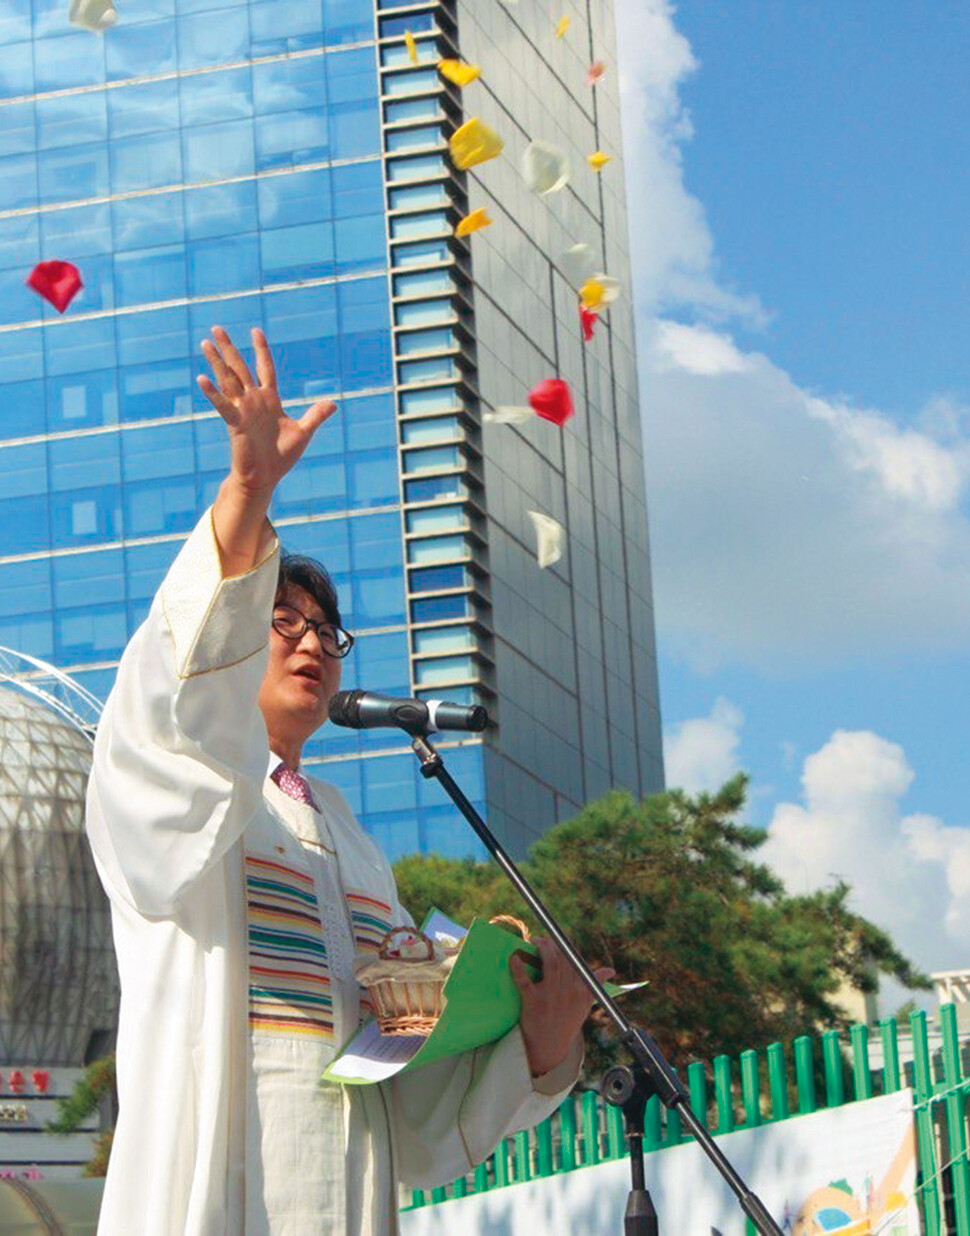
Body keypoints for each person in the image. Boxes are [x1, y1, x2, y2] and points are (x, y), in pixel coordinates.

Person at [85, 326, 613, 1235]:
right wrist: (250, 490)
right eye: (279, 619)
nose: (310, 643)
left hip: (350, 1188)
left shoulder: (354, 840)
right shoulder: (174, 778)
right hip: (223, 1172)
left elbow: (413, 1118)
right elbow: (171, 694)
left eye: (326, 631)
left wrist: (538, 1034)